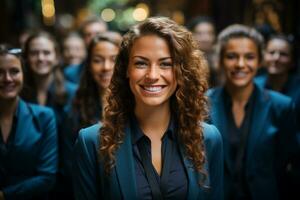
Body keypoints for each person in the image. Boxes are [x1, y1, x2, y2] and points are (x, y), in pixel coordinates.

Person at [72, 17, 223, 200]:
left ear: (182, 71)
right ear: (126, 69)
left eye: (165, 64)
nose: (152, 75)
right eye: (141, 63)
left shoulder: (208, 138)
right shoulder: (91, 142)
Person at [207, 24, 298, 200]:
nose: (241, 64)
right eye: (231, 56)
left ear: (260, 61)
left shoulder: (282, 106)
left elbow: (289, 164)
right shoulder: (202, 104)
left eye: (249, 57)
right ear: (219, 60)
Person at [57, 32, 121, 199]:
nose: (106, 67)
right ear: (89, 64)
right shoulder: (74, 110)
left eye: (114, 59)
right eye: (97, 60)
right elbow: (68, 166)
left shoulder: (138, 108)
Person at [0, 44, 58, 200]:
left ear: (23, 74)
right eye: (0, 72)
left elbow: (47, 177)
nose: (7, 79)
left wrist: (4, 195)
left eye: (14, 71)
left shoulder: (44, 116)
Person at [21, 31, 76, 125]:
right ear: (26, 58)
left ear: (57, 58)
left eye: (46, 53)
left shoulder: (73, 93)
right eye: (34, 53)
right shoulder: (19, 93)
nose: (40, 58)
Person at [64, 16, 108, 84]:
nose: (93, 38)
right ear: (82, 39)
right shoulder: (70, 73)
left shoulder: (119, 68)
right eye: (88, 35)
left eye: (98, 34)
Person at [255, 34, 300, 99]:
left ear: (292, 61)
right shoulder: (254, 86)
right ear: (263, 58)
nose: (276, 58)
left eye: (283, 54)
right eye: (271, 53)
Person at [187, 16, 221, 88]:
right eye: (200, 33)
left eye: (209, 33)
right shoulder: (184, 60)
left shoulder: (220, 58)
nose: (205, 38)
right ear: (190, 35)